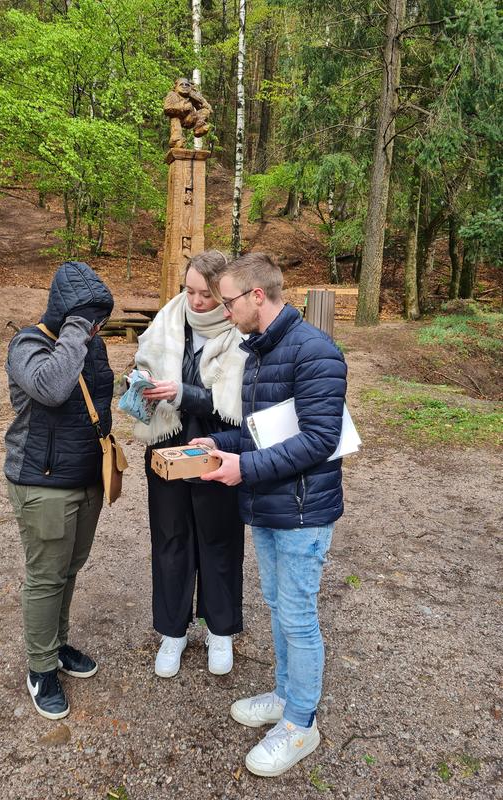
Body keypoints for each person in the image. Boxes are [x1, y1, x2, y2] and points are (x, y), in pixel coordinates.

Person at [192, 252, 347, 777]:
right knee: (279, 605)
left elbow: (321, 440)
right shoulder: (258, 353)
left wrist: (244, 468)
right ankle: (284, 696)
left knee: (299, 617)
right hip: (268, 503)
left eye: (229, 300)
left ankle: (301, 724)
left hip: (304, 509)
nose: (223, 310)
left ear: (257, 295)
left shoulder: (316, 352)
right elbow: (262, 434)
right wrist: (218, 442)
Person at [4, 260, 114, 720]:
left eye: (99, 319)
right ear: (68, 313)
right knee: (46, 576)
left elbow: (97, 397)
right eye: (91, 317)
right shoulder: (27, 344)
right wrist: (75, 330)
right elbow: (51, 388)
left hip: (87, 477)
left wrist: (136, 390)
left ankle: (57, 644)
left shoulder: (91, 342)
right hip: (42, 482)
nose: (97, 327)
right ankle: (40, 668)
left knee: (69, 568)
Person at [133, 250, 246, 679]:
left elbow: (238, 403)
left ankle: (220, 630)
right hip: (167, 446)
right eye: (189, 290)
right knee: (170, 540)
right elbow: (144, 362)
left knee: (219, 541)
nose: (196, 302)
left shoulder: (240, 330)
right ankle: (172, 632)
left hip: (218, 447)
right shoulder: (168, 318)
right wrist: (140, 385)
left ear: (224, 294)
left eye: (206, 295)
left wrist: (183, 393)